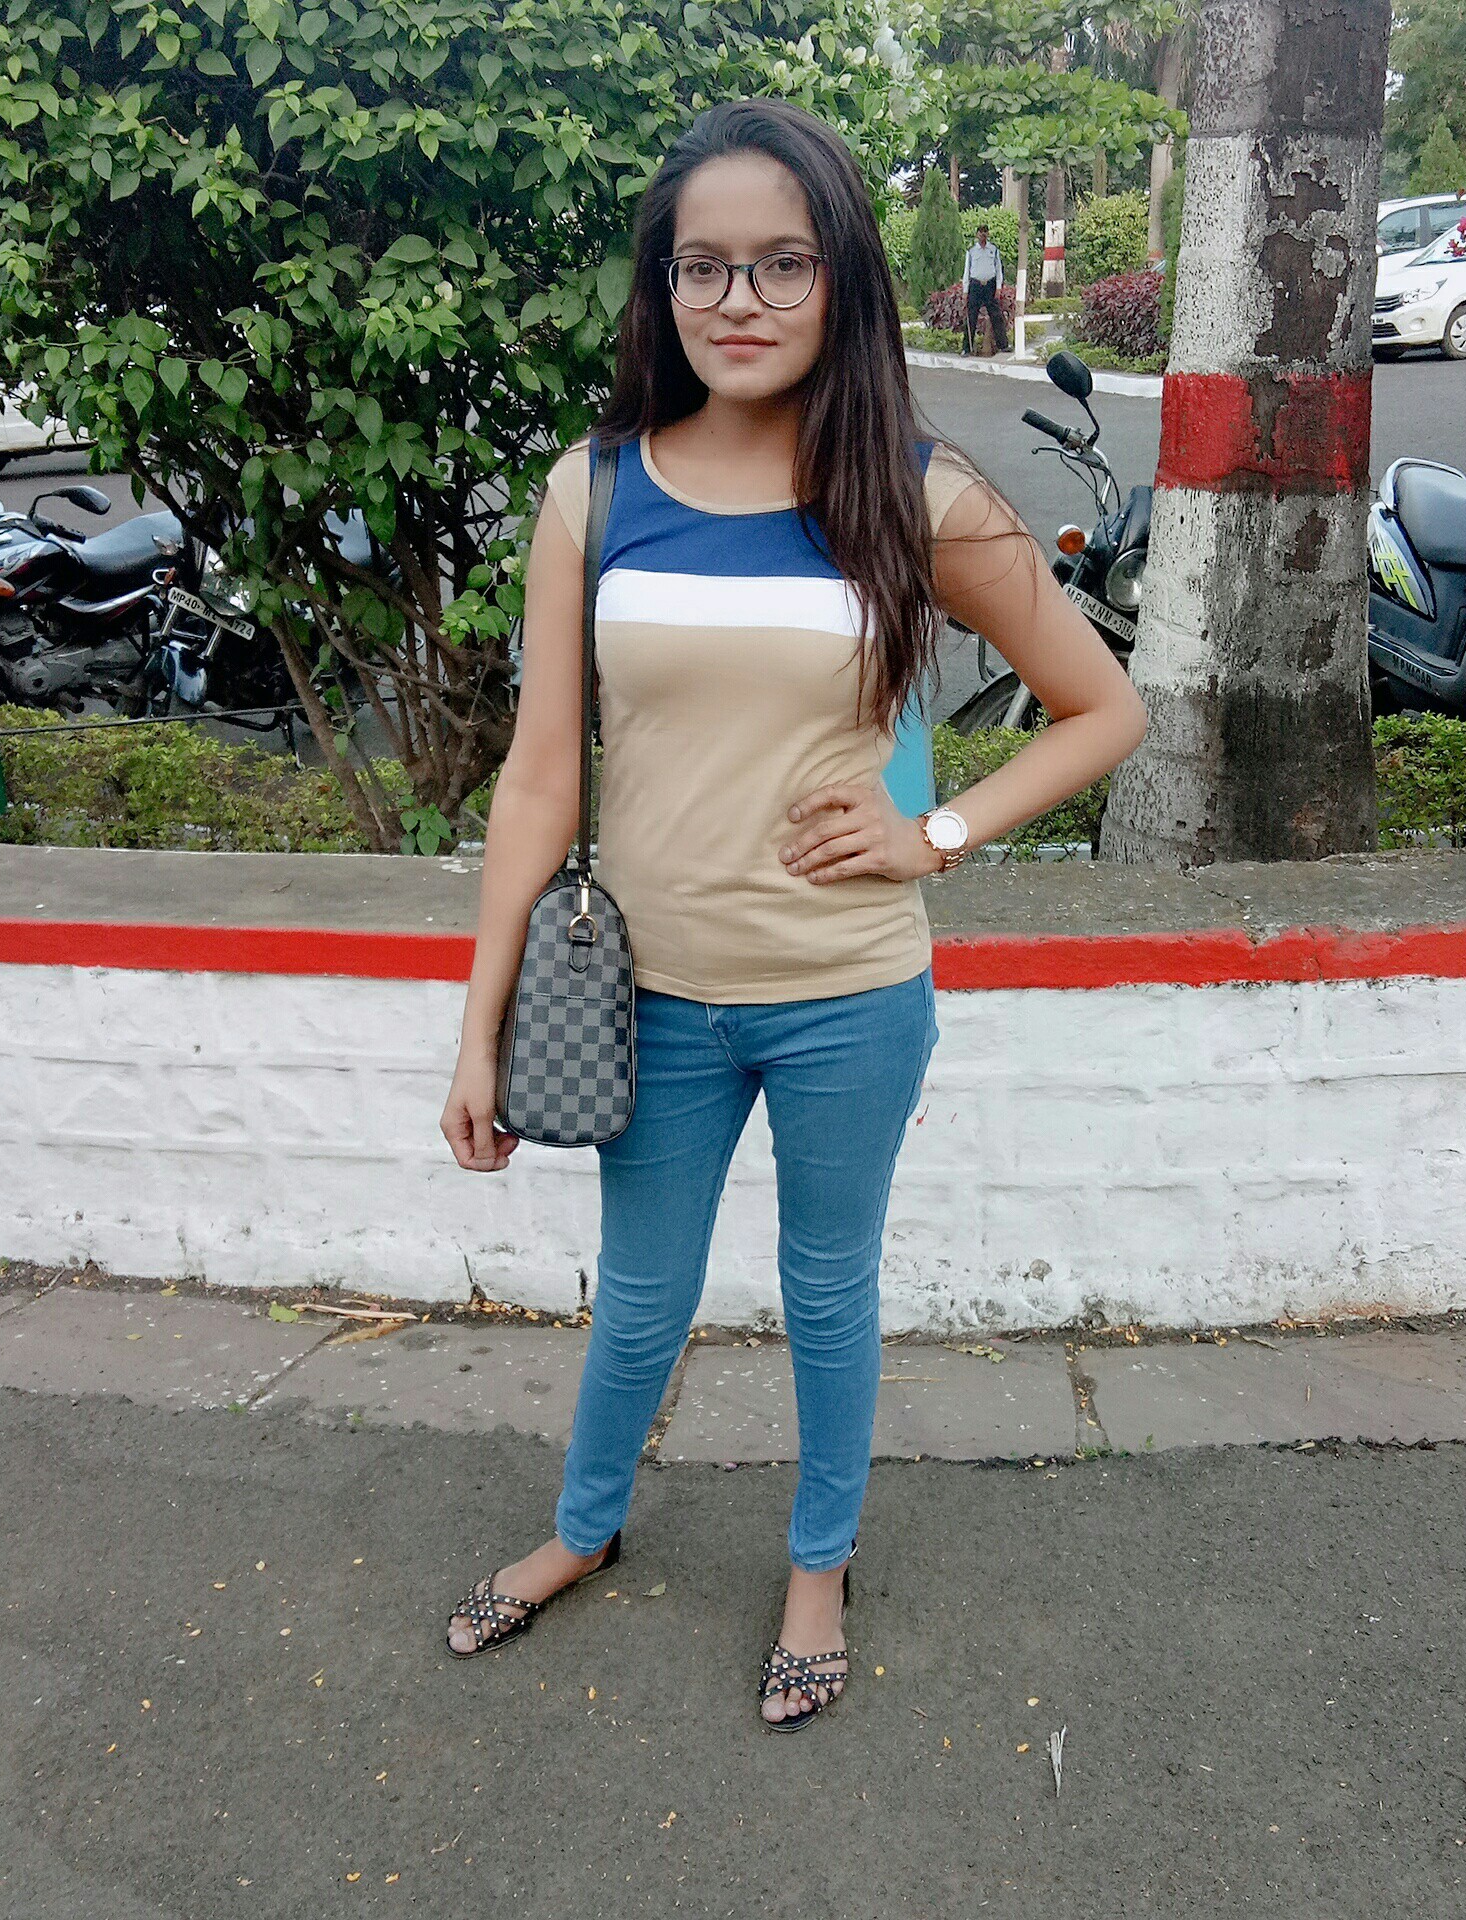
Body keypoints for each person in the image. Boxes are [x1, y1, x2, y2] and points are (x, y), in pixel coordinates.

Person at [439, 99, 1145, 1732]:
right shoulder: (595, 492)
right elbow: (540, 778)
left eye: (780, 264)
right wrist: (478, 1027)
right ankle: (584, 1528)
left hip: (848, 993)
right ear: (662, 286)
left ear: (841, 283)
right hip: (648, 1000)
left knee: (828, 1292)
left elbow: (1105, 709)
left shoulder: (916, 492)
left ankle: (818, 1567)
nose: (738, 299)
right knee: (641, 1297)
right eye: (702, 266)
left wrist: (936, 831)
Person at [962, 223, 1010, 355]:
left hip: (990, 285)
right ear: (977, 234)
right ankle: (966, 348)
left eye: (985, 232)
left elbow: (998, 269)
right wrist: (965, 291)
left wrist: (998, 288)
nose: (983, 234)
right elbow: (967, 271)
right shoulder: (971, 251)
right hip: (975, 285)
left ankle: (1003, 345)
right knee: (971, 317)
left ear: (988, 234)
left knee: (996, 316)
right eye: (980, 232)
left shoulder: (993, 249)